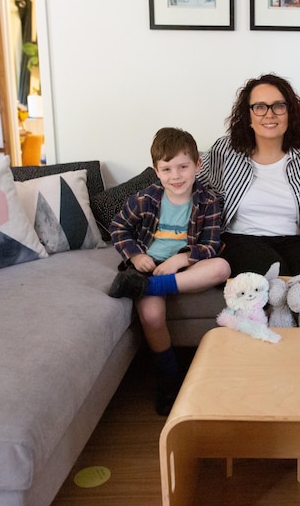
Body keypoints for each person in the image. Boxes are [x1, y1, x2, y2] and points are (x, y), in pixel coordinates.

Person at [108, 127, 231, 415]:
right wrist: (136, 256)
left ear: (198, 165)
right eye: (167, 169)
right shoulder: (145, 199)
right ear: (156, 171)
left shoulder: (209, 201)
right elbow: (118, 228)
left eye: (183, 167)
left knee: (222, 267)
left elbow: (211, 245)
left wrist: (181, 259)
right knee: (151, 315)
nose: (176, 176)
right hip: (148, 268)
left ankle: (147, 288)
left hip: (185, 269)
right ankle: (169, 379)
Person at [199, 73, 300, 315]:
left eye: (278, 106)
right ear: (248, 114)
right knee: (277, 277)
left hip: (297, 239)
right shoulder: (225, 150)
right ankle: (274, 347)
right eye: (260, 107)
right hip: (242, 239)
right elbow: (192, 180)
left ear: (290, 111)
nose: (269, 114)